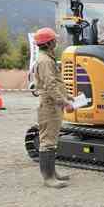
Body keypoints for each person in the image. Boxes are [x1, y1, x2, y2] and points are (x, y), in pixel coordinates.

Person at [33, 27, 74, 189]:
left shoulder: (46, 59)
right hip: (49, 105)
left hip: (53, 104)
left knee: (52, 139)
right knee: (48, 141)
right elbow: (50, 85)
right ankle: (48, 177)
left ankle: (52, 173)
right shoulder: (45, 61)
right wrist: (64, 102)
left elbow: (55, 83)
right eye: (54, 40)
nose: (56, 42)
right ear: (49, 43)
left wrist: (66, 96)